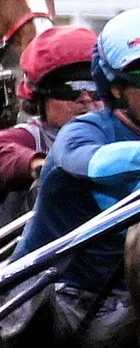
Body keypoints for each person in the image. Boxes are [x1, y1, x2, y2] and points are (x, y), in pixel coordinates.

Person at [1, 9, 140, 348]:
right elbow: (94, 164)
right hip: (45, 303)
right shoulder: (81, 133)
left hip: (133, 301)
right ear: (115, 87)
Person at [0, 25, 101, 224]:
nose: (85, 99)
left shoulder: (123, 130)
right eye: (70, 89)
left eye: (94, 87)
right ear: (39, 98)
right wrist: (36, 164)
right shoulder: (31, 137)